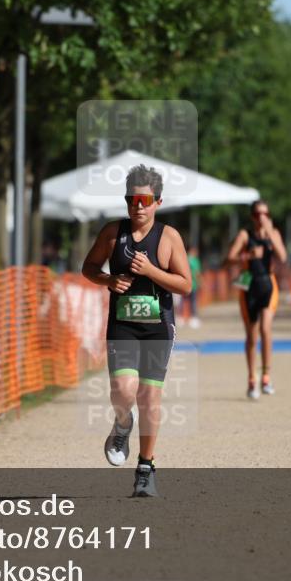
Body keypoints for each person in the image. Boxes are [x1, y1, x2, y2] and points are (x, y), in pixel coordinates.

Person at [82, 164, 192, 498]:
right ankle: (122, 423)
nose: (138, 206)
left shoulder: (169, 237)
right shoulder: (112, 233)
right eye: (132, 199)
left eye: (145, 200)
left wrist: (151, 270)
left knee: (149, 397)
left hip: (159, 327)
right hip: (123, 324)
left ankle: (146, 467)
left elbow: (185, 284)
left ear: (158, 202)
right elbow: (88, 267)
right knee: (123, 391)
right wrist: (108, 279)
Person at [227, 201, 288, 399]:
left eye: (265, 213)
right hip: (249, 284)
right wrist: (248, 255)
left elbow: (282, 256)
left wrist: (269, 233)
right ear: (253, 217)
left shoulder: (274, 233)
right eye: (258, 214)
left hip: (268, 284)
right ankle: (252, 379)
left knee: (265, 329)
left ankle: (266, 377)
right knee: (252, 336)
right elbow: (229, 258)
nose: (262, 217)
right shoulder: (245, 235)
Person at [186, 245, 202, 328]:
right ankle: (193, 318)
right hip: (193, 284)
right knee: (193, 302)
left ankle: (183, 318)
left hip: (185, 284)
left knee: (184, 302)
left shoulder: (185, 258)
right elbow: (197, 272)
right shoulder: (194, 260)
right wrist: (201, 282)